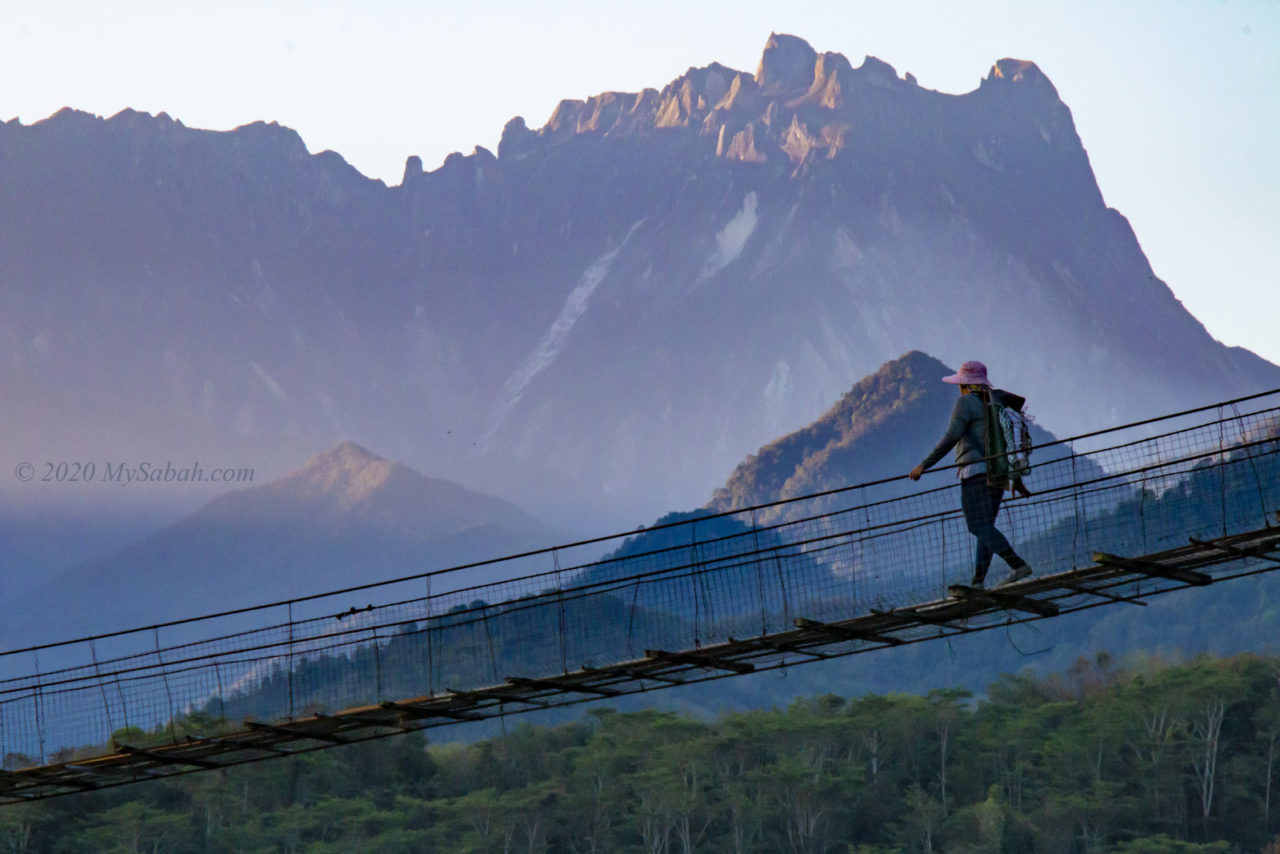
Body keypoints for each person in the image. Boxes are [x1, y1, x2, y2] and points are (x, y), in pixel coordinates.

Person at [908, 360, 1032, 589]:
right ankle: (978, 582)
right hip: (999, 473)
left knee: (977, 526)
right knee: (985, 527)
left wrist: (924, 465)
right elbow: (1004, 441)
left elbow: (952, 435)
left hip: (974, 473)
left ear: (964, 384)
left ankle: (1018, 565)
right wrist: (1017, 479)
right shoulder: (996, 402)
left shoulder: (966, 402)